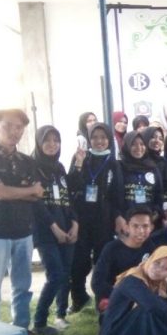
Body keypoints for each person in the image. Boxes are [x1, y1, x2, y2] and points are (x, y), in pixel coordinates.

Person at [0, 108, 43, 328]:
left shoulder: (27, 161)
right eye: (8, 126)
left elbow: (38, 194)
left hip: (23, 232)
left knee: (22, 287)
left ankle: (22, 329)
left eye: (19, 127)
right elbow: (0, 193)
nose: (14, 131)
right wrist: (23, 190)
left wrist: (9, 190)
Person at [68, 122, 122, 313]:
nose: (99, 141)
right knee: (79, 261)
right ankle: (78, 298)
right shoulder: (82, 157)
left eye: (103, 137)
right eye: (95, 137)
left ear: (109, 140)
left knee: (102, 261)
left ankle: (103, 300)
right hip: (82, 218)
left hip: (104, 220)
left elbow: (118, 194)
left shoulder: (114, 163)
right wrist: (78, 162)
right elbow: (71, 185)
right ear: (89, 139)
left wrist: (118, 217)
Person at [30, 125, 78, 335]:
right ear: (39, 143)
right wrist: (55, 228)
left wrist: (75, 224)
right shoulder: (32, 167)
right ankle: (39, 321)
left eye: (56, 140)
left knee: (66, 273)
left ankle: (61, 315)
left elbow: (68, 199)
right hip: (45, 232)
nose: (52, 144)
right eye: (47, 140)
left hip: (67, 229)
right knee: (56, 274)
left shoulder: (59, 168)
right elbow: (36, 203)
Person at [92, 206, 155, 313]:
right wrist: (125, 294)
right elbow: (97, 283)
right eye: (135, 226)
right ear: (127, 227)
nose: (141, 231)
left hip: (140, 297)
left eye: (145, 226)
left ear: (151, 227)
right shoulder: (112, 248)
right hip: (113, 296)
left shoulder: (150, 246)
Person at [117, 130, 164, 230]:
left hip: (149, 223)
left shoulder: (152, 167)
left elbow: (159, 194)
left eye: (142, 144)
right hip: (127, 223)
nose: (138, 148)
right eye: (133, 144)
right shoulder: (120, 166)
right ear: (127, 146)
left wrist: (154, 216)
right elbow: (115, 195)